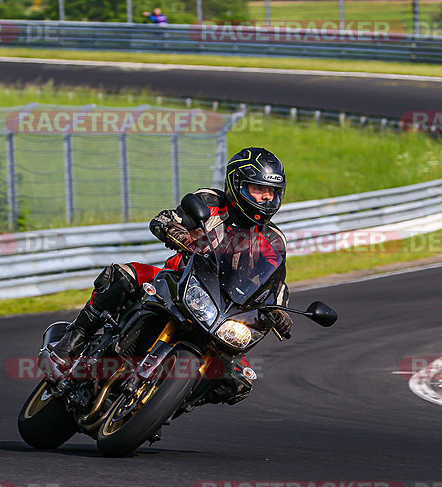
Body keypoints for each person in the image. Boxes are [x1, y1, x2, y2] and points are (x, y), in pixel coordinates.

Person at [38, 147, 293, 403]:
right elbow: (166, 219)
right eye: (258, 190)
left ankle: (172, 402)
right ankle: (72, 343)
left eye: (272, 192)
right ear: (237, 184)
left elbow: (275, 283)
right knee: (122, 275)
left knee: (239, 381)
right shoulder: (212, 202)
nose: (266, 198)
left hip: (223, 309)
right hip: (178, 280)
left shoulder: (273, 239)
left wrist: (280, 311)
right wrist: (174, 230)